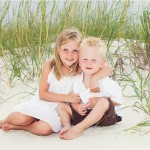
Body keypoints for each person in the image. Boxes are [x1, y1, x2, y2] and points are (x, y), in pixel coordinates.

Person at [0, 28, 112, 136]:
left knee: (44, 129)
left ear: (81, 51)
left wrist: (94, 78)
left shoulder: (81, 66)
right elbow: (42, 94)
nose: (70, 55)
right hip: (43, 102)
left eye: (75, 51)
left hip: (60, 109)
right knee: (21, 118)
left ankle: (20, 127)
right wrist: (67, 97)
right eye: (65, 50)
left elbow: (108, 68)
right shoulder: (50, 65)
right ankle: (4, 121)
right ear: (58, 49)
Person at [57, 37, 123, 140]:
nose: (88, 63)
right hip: (86, 115)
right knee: (61, 106)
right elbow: (75, 100)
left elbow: (118, 101)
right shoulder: (78, 80)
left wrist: (97, 101)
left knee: (103, 101)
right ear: (79, 61)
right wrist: (76, 107)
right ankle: (67, 126)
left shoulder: (105, 81)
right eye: (85, 59)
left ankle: (80, 128)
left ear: (102, 63)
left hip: (105, 117)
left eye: (94, 60)